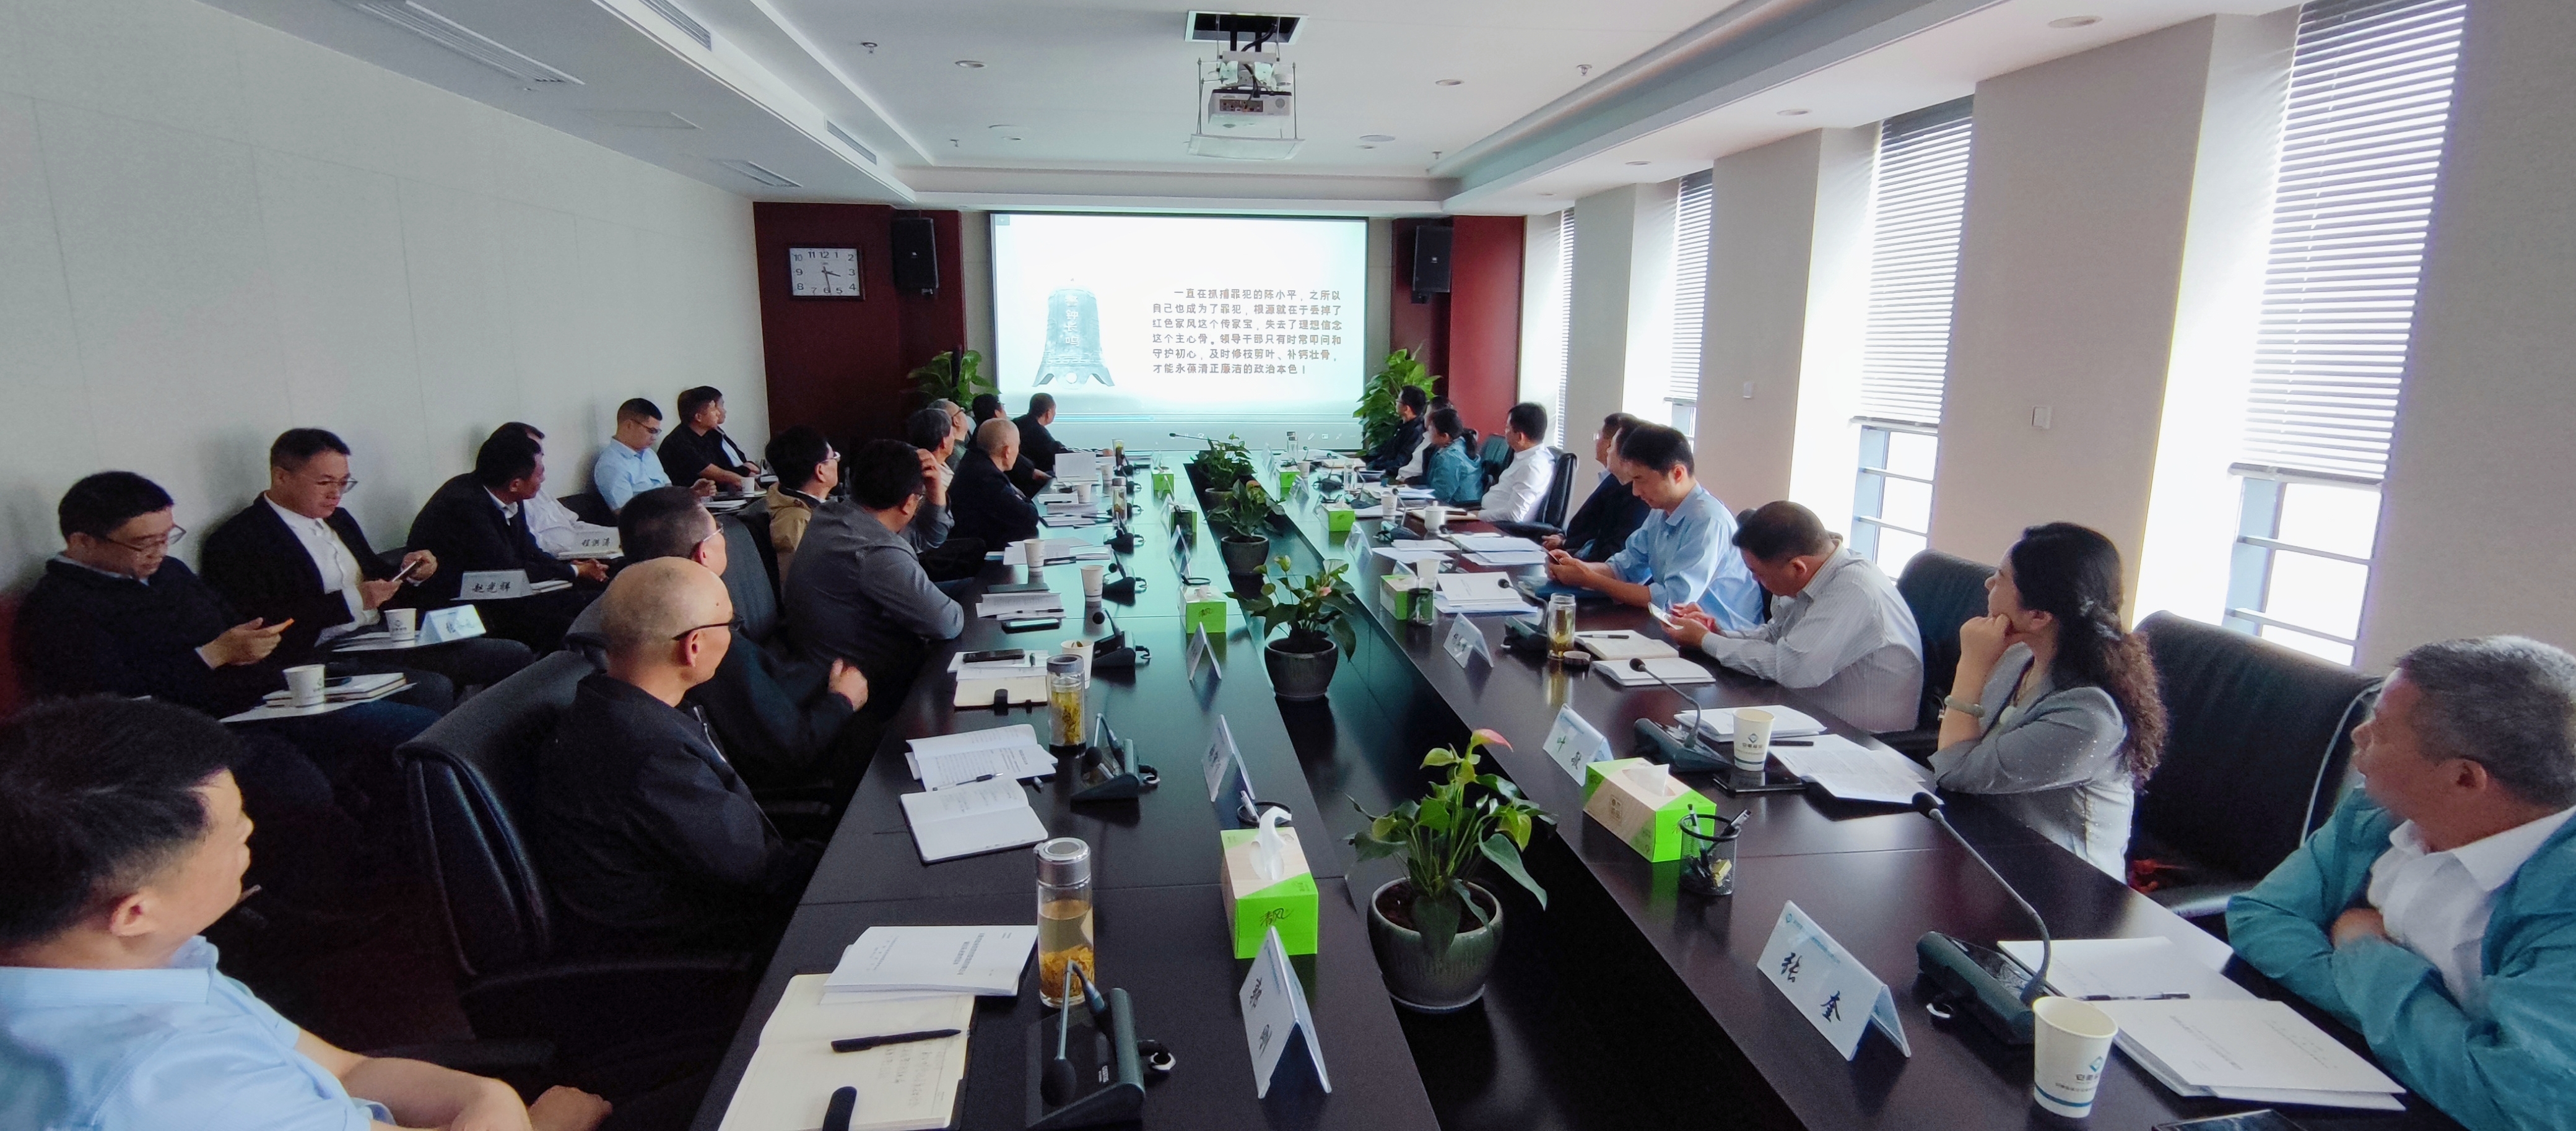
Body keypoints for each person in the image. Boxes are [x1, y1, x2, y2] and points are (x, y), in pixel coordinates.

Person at [0, 697, 615, 1131]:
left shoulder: (129, 962)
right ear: (135, 911)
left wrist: (489, 1099)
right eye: (235, 837)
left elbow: (347, 1069)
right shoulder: (165, 1087)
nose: (251, 839)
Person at [2229, 636, 2576, 1131]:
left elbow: (2514, 1103)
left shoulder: (2565, 903)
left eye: (2382, 729)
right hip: (2328, 1071)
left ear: (2464, 778)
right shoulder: (2377, 809)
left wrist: (2364, 949)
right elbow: (2262, 916)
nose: (2358, 734)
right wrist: (2434, 1031)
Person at [536, 559, 821, 956]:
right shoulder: (649, 752)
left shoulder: (617, 703)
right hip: (705, 949)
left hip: (715, 903)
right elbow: (754, 871)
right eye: (730, 625)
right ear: (694, 646)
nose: (733, 634)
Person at [202, 428, 533, 691]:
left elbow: (375, 574)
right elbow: (264, 622)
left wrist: (411, 572)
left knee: (509, 654)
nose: (336, 493)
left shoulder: (339, 520)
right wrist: (352, 601)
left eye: (343, 483)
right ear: (281, 477)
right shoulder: (240, 539)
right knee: (432, 688)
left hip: (381, 635)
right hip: (317, 655)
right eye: (325, 483)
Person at [1918, 522, 2160, 877]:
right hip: (1990, 849)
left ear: (2038, 616)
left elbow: (1956, 771)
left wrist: (1971, 665)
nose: (1988, 584)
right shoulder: (2021, 657)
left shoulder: (2090, 717)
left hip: (2064, 887)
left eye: (2001, 578)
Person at [594, 486, 868, 792]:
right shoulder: (707, 640)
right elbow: (792, 749)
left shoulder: (640, 614)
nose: (724, 538)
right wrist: (842, 701)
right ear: (703, 554)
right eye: (719, 531)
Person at [1665, 501, 1928, 736]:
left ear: (1797, 567)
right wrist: (1719, 633)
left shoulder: (1853, 590)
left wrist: (1707, 641)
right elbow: (1775, 636)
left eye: (1759, 574)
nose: (1755, 581)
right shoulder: (1817, 574)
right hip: (1808, 715)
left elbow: (1792, 667)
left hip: (1864, 741)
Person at [785, 440, 966, 707]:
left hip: (823, 669)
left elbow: (925, 537)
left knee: (969, 591)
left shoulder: (834, 514)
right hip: (869, 691)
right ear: (909, 503)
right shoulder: (873, 551)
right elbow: (946, 622)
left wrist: (934, 493)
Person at [1541, 425, 1762, 628]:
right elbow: (1625, 568)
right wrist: (1577, 568)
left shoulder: (1708, 520)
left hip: (1722, 638)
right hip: (1679, 629)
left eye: (1641, 480)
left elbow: (1672, 601)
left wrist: (1592, 580)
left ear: (1677, 474)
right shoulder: (1660, 511)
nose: (1635, 492)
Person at [408, 429, 606, 652]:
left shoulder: (508, 494)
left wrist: (571, 568)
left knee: (597, 602)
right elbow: (506, 568)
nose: (543, 479)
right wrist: (574, 571)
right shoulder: (464, 505)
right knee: (567, 625)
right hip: (461, 609)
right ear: (515, 484)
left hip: (505, 596)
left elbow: (529, 549)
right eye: (540, 474)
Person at [501, 423, 624, 563]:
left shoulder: (539, 491)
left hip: (582, 548)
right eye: (534, 452)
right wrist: (579, 550)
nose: (540, 462)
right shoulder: (512, 501)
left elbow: (574, 525)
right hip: (562, 559)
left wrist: (618, 536)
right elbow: (534, 546)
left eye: (540, 454)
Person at [1546, 412, 1652, 561]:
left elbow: (1614, 551)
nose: (1608, 450)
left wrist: (1575, 563)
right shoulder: (1616, 482)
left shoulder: (1638, 499)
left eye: (1612, 446)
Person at [595, 397, 715, 512]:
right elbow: (625, 513)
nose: (655, 438)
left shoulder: (649, 454)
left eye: (657, 432)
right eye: (651, 431)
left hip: (670, 514)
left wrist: (691, 493)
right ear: (629, 425)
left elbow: (668, 490)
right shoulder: (611, 464)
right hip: (650, 523)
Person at [950, 418, 1040, 548]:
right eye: (1018, 446)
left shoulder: (973, 461)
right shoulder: (987, 477)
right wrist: (1025, 499)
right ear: (1007, 451)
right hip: (977, 555)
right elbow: (1028, 517)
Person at [657, 386, 760, 490]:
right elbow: (717, 473)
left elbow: (725, 468)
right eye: (713, 410)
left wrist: (745, 474)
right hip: (685, 498)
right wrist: (745, 482)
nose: (718, 413)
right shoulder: (678, 442)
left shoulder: (709, 436)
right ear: (699, 417)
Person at [762, 426, 837, 561]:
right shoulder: (795, 522)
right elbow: (796, 572)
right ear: (821, 471)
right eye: (834, 457)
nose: (837, 463)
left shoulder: (811, 508)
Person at [1478, 401, 1557, 524]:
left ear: (1520, 437)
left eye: (1508, 429)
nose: (1505, 432)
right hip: (1488, 517)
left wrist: (1478, 515)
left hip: (1500, 527)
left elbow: (1514, 515)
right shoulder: (1525, 455)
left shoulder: (1532, 466)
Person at [1422, 407, 1484, 508]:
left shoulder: (1449, 457)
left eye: (1432, 429)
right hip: (1458, 504)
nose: (1428, 430)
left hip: (1458, 507)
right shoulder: (1461, 443)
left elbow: (1441, 496)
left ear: (1445, 436)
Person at [1367, 385, 1429, 475]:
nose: (1396, 402)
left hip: (1394, 477)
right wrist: (1363, 461)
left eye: (1398, 400)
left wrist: (1373, 467)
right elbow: (1385, 451)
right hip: (1383, 470)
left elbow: (1400, 463)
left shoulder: (1416, 432)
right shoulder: (1403, 426)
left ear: (1406, 408)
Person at [1014, 392, 1076, 478]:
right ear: (1048, 413)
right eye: (1054, 411)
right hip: (1031, 478)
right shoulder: (1038, 432)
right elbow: (1058, 453)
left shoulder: (1016, 423)